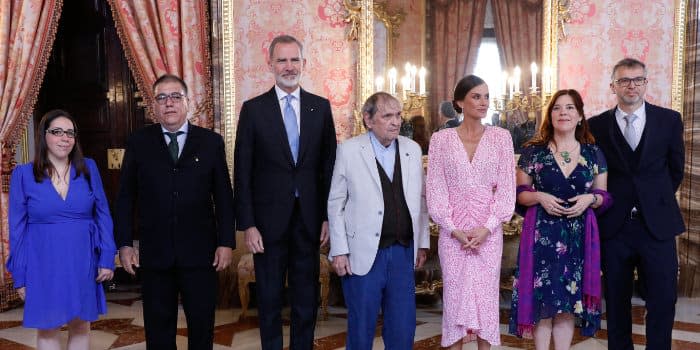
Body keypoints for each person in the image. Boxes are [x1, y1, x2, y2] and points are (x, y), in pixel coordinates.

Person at [114, 74, 235, 349]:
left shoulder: (210, 142)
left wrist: (226, 242)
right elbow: (125, 198)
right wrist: (124, 244)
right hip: (156, 254)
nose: (169, 103)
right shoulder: (138, 142)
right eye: (162, 98)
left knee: (202, 326)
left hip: (201, 253)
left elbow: (224, 197)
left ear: (187, 103)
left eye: (175, 97)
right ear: (153, 106)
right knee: (158, 330)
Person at [234, 34, 337, 350]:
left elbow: (329, 169)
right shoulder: (253, 110)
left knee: (306, 299)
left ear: (304, 63)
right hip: (266, 224)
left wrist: (327, 218)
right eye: (282, 60)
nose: (289, 67)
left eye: (294, 60)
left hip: (308, 221)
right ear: (270, 64)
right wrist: (248, 224)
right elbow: (243, 172)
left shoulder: (320, 108)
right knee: (268, 298)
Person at [588, 58, 685, 350]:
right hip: (615, 226)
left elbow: (675, 169)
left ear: (646, 82)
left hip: (657, 225)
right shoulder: (596, 125)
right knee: (616, 301)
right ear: (613, 86)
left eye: (637, 79)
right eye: (624, 80)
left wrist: (654, 201)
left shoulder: (669, 120)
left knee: (663, 298)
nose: (631, 85)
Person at [508, 89, 611, 349]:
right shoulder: (533, 152)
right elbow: (520, 194)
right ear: (550, 115)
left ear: (579, 116)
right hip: (541, 235)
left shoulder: (593, 154)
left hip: (578, 236)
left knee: (567, 304)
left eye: (569, 108)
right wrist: (540, 197)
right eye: (557, 108)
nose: (563, 112)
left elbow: (603, 196)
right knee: (544, 303)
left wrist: (590, 199)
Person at [328, 92, 430, 349]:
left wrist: (422, 243)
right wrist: (339, 250)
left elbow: (422, 200)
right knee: (361, 329)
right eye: (387, 116)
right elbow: (336, 203)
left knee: (402, 328)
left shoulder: (412, 149)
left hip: (403, 252)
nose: (395, 122)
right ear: (369, 119)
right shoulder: (349, 150)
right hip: (362, 255)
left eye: (398, 115)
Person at [7, 109, 116, 349]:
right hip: (42, 263)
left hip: (83, 259)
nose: (64, 138)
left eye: (70, 133)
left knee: (80, 325)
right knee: (47, 328)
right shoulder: (23, 175)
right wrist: (20, 275)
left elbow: (103, 215)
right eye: (57, 132)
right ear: (43, 135)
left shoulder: (88, 168)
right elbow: (16, 229)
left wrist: (107, 257)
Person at [426, 75, 516, 349]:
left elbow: (506, 191)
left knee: (486, 303)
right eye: (476, 96)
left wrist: (487, 227)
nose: (483, 102)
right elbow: (436, 189)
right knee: (454, 304)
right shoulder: (440, 140)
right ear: (459, 102)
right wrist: (452, 228)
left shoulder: (501, 138)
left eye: (486, 96)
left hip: (488, 236)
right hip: (453, 237)